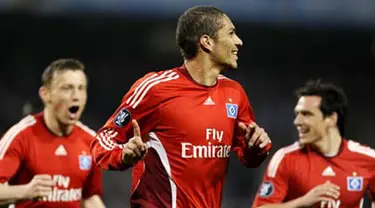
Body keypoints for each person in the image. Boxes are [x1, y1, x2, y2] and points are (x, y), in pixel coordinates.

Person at [90, 5, 272, 208]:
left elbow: (248, 156)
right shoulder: (156, 89)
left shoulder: (234, 93)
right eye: (231, 33)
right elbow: (104, 139)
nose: (239, 41)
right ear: (207, 42)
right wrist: (123, 155)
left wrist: (258, 147)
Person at [252, 79, 375, 208]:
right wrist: (302, 202)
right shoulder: (285, 159)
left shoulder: (368, 159)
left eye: (306, 114)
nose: (297, 121)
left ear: (331, 119)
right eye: (297, 114)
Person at [0, 59, 105, 208]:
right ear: (45, 94)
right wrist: (25, 191)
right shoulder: (21, 135)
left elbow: (89, 198)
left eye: (81, 88)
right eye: (67, 88)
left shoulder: (91, 141)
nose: (76, 96)